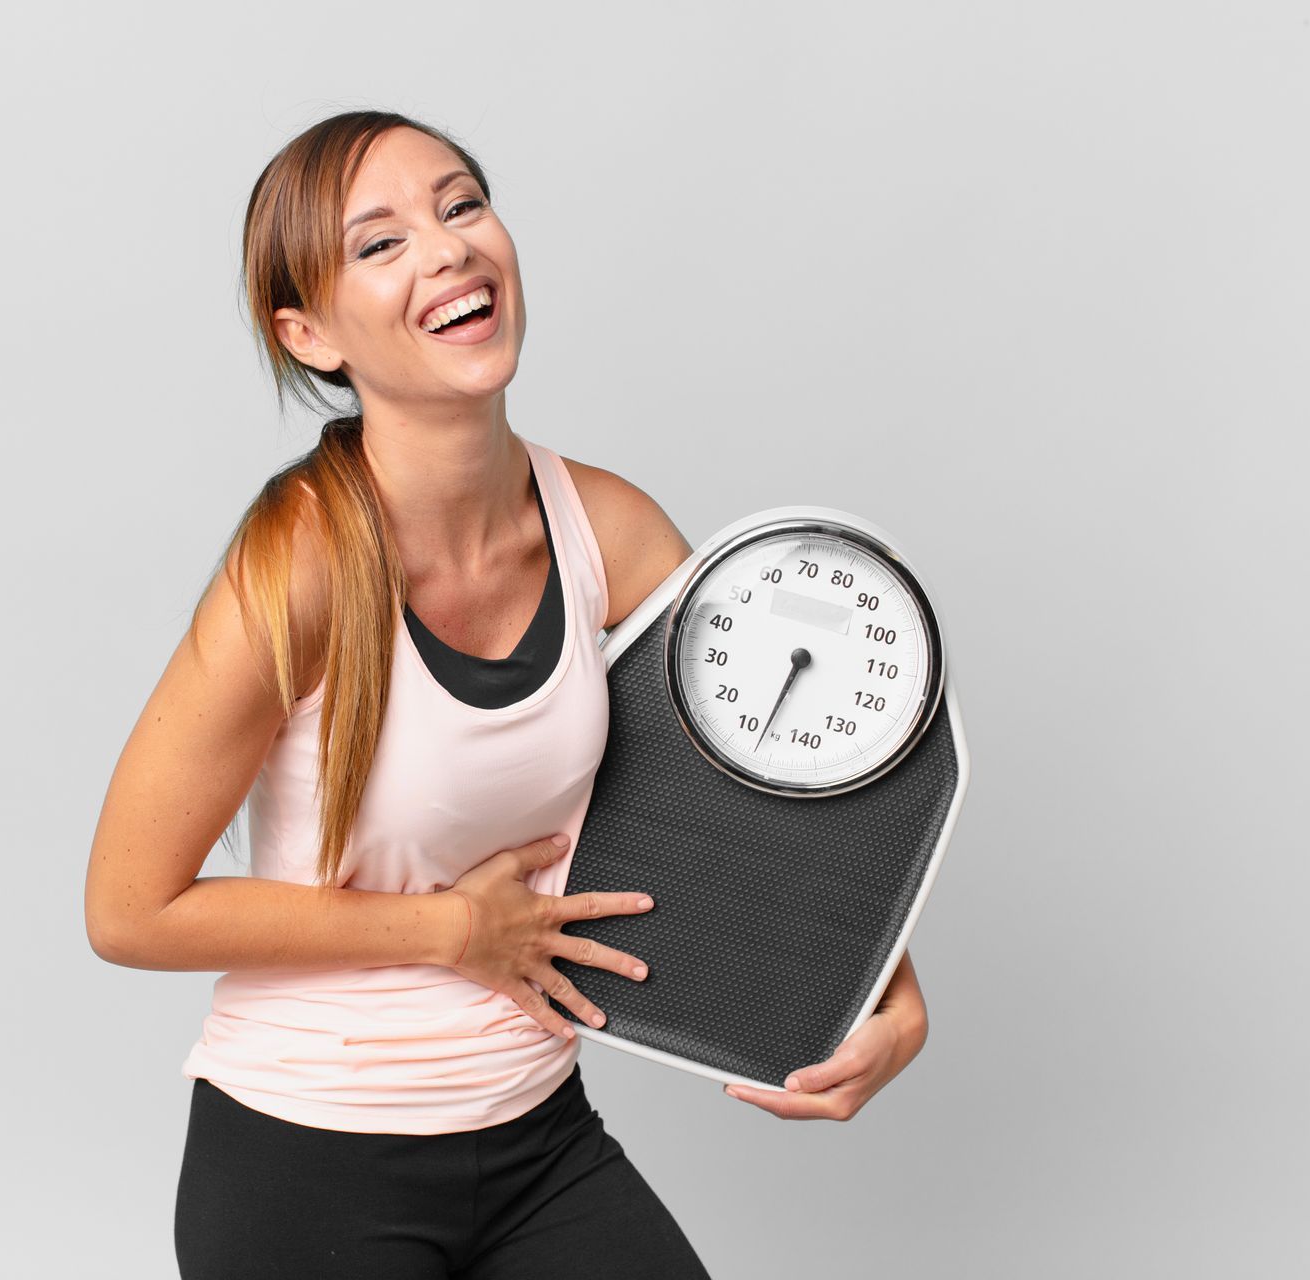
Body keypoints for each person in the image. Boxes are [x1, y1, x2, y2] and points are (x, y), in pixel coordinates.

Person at [83, 110, 931, 1279]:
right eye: (378, 244)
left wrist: (884, 986)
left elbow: (759, 784)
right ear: (311, 332)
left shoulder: (607, 527)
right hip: (307, 1155)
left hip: (538, 1140)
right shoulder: (302, 571)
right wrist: (450, 928)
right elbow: (128, 907)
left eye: (462, 203)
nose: (446, 251)